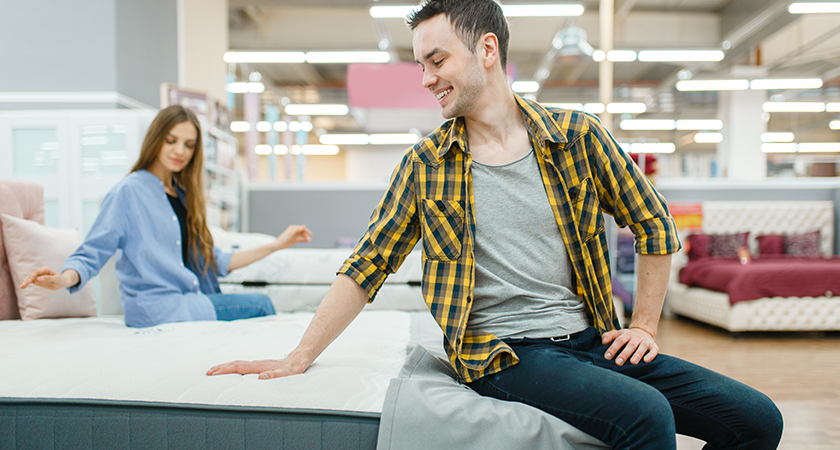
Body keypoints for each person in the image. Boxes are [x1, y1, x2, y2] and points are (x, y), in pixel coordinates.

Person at [207, 1, 783, 448]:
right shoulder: (426, 165)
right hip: (506, 353)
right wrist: (299, 354)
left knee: (757, 421)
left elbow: (654, 224)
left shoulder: (576, 137)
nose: (427, 79)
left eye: (437, 61)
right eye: (421, 65)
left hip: (592, 339)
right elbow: (367, 264)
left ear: (486, 49)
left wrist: (646, 327)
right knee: (647, 414)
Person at [20, 105, 313, 328]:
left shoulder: (183, 196)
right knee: (261, 305)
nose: (179, 151)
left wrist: (277, 244)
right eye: (171, 140)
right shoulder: (128, 192)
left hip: (189, 303)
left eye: (189, 145)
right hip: (158, 309)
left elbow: (215, 262)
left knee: (258, 306)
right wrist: (63, 279)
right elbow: (94, 251)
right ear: (157, 139)